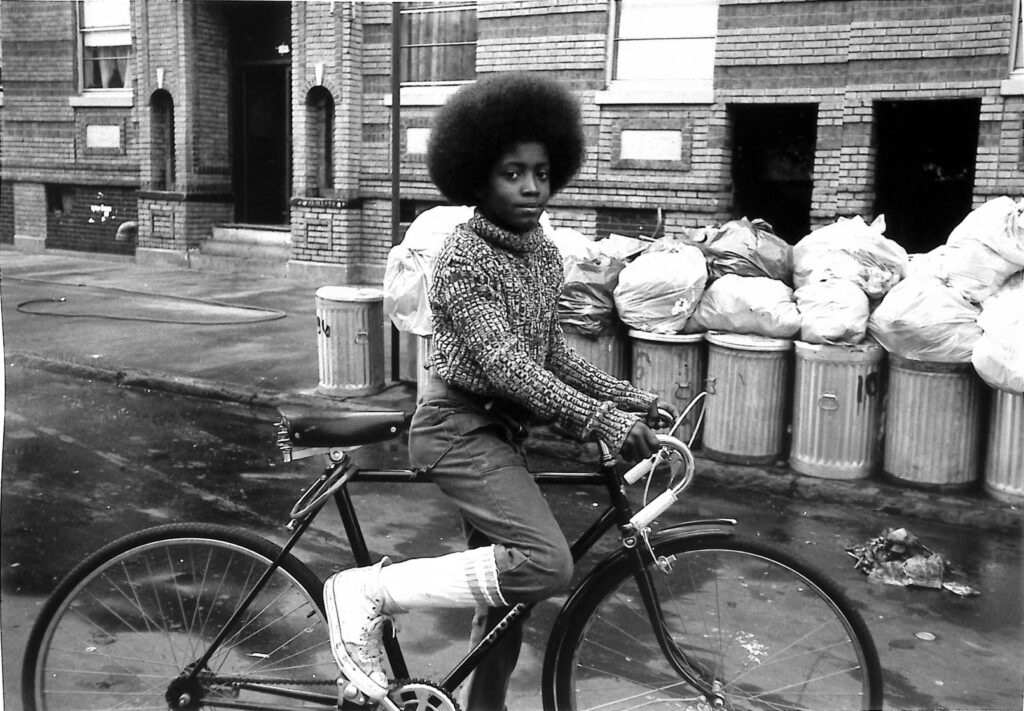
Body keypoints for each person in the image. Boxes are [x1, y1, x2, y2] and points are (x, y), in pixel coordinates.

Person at [323, 71, 674, 710]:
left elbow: (547, 353)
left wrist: (629, 398)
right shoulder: (462, 256)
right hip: (457, 430)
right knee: (545, 564)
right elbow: (508, 366)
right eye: (513, 172)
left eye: (541, 171)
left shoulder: (540, 251)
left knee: (510, 604)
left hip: (498, 435)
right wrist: (604, 422)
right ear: (478, 175)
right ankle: (367, 594)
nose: (532, 186)